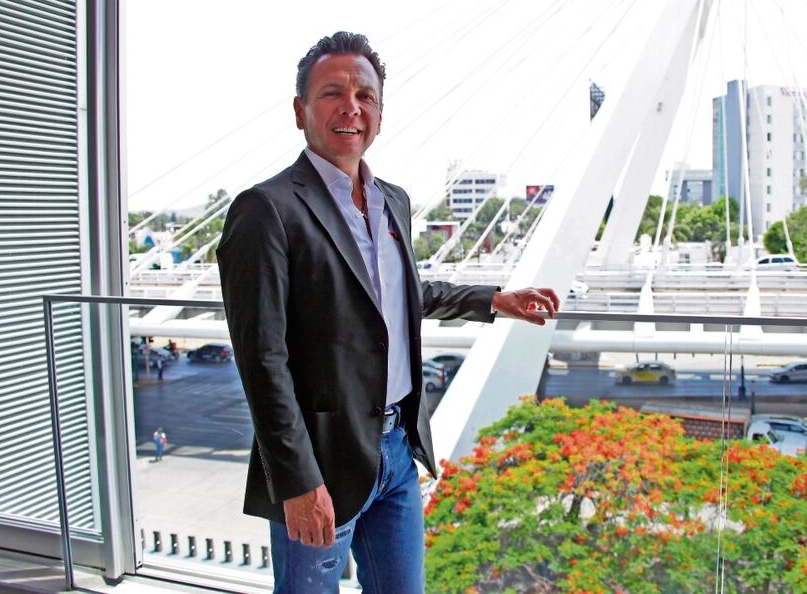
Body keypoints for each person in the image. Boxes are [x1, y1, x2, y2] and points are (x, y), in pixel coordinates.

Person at [216, 31, 559, 594]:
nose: (351, 107)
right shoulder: (266, 210)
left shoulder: (392, 199)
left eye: (365, 95)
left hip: (398, 450)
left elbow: (400, 295)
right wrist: (296, 480)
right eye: (332, 93)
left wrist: (495, 300)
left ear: (379, 112)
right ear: (300, 112)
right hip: (323, 460)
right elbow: (262, 359)